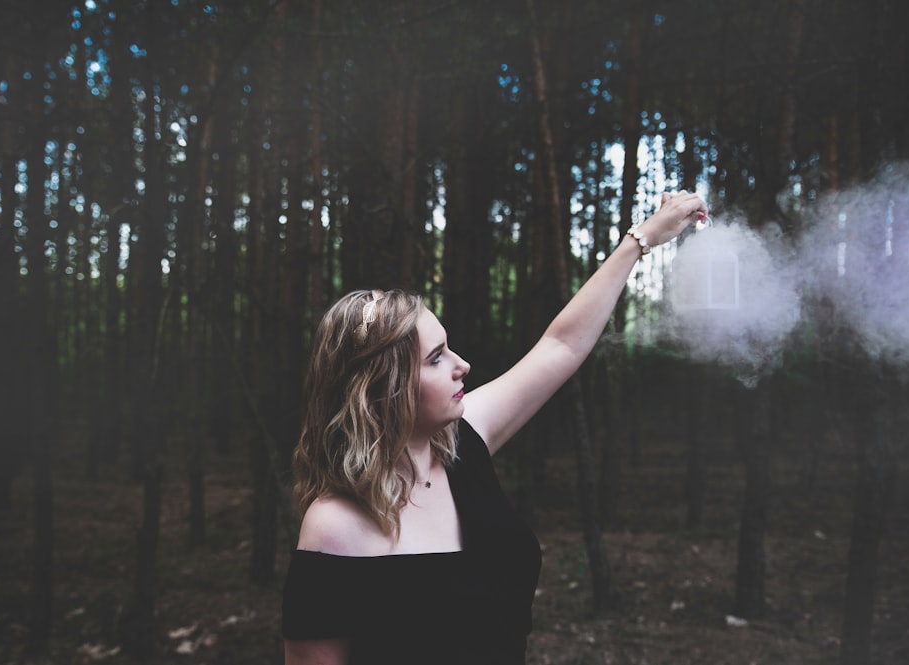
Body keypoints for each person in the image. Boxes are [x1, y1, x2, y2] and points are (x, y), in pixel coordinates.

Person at [281, 191, 709, 665]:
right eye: (437, 357)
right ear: (385, 387)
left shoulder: (464, 440)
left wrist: (643, 238)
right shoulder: (334, 526)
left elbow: (560, 347)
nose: (462, 365)